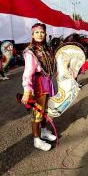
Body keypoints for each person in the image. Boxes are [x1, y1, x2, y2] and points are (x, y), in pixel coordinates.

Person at [21, 23, 57, 151]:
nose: (40, 34)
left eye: (42, 32)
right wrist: (26, 91)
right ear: (32, 35)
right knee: (38, 112)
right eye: (36, 32)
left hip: (46, 82)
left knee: (44, 110)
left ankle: (43, 130)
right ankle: (37, 139)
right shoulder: (31, 52)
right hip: (38, 85)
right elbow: (28, 72)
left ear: (45, 34)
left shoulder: (46, 49)